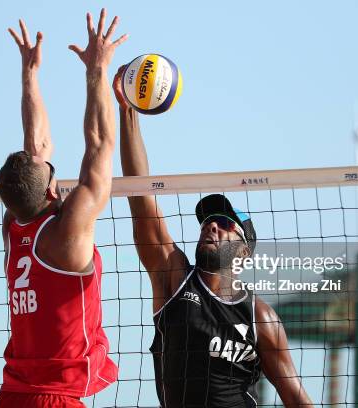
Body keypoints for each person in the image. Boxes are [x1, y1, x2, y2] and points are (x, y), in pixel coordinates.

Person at [112, 67, 313, 407]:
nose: (212, 226)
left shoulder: (259, 317)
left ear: (245, 251)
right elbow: (141, 196)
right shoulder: (174, 278)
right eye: (208, 221)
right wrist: (128, 110)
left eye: (224, 223)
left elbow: (294, 396)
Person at [0, 11, 127, 407]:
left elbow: (38, 147)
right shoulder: (67, 234)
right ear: (51, 191)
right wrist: (97, 71)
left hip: (11, 395)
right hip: (56, 398)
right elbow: (99, 144)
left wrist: (30, 74)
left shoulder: (14, 226)